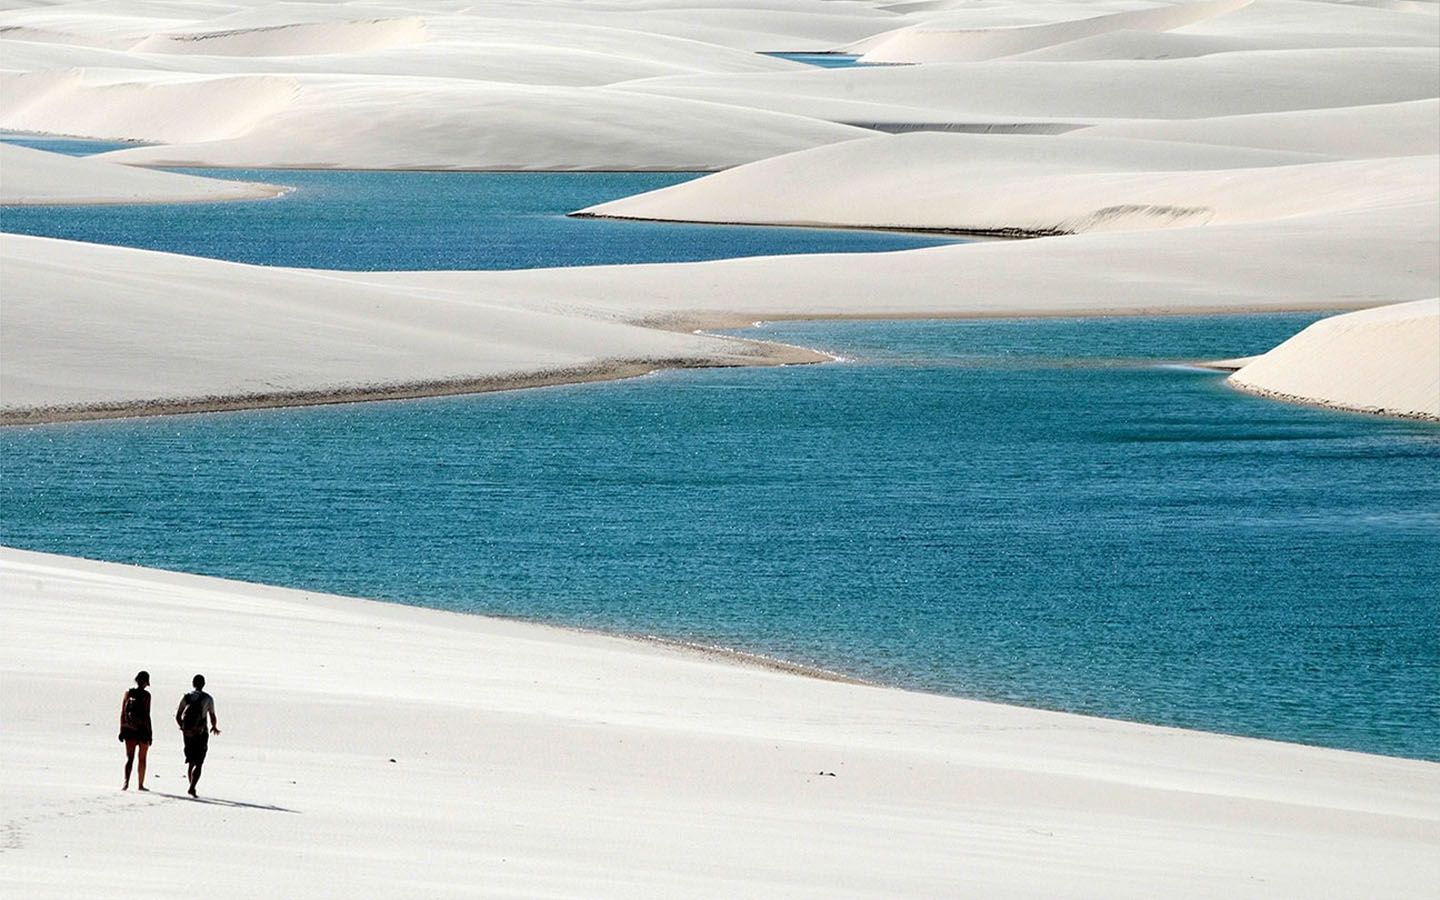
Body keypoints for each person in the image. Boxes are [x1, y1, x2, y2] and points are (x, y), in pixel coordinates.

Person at [176, 674, 220, 797]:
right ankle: (192, 787)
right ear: (203, 684)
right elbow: (212, 716)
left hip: (188, 733)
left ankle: (191, 787)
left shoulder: (186, 697)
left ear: (193, 683)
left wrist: (183, 728)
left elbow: (178, 715)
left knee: (191, 761)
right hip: (201, 733)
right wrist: (214, 726)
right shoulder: (208, 698)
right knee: (199, 762)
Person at [118, 670, 152, 791]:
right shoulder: (147, 696)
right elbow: (147, 715)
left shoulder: (128, 693)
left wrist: (121, 729)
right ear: (146, 683)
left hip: (129, 730)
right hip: (142, 730)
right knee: (142, 759)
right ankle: (140, 785)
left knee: (129, 758)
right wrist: (150, 734)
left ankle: (126, 783)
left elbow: (122, 712)